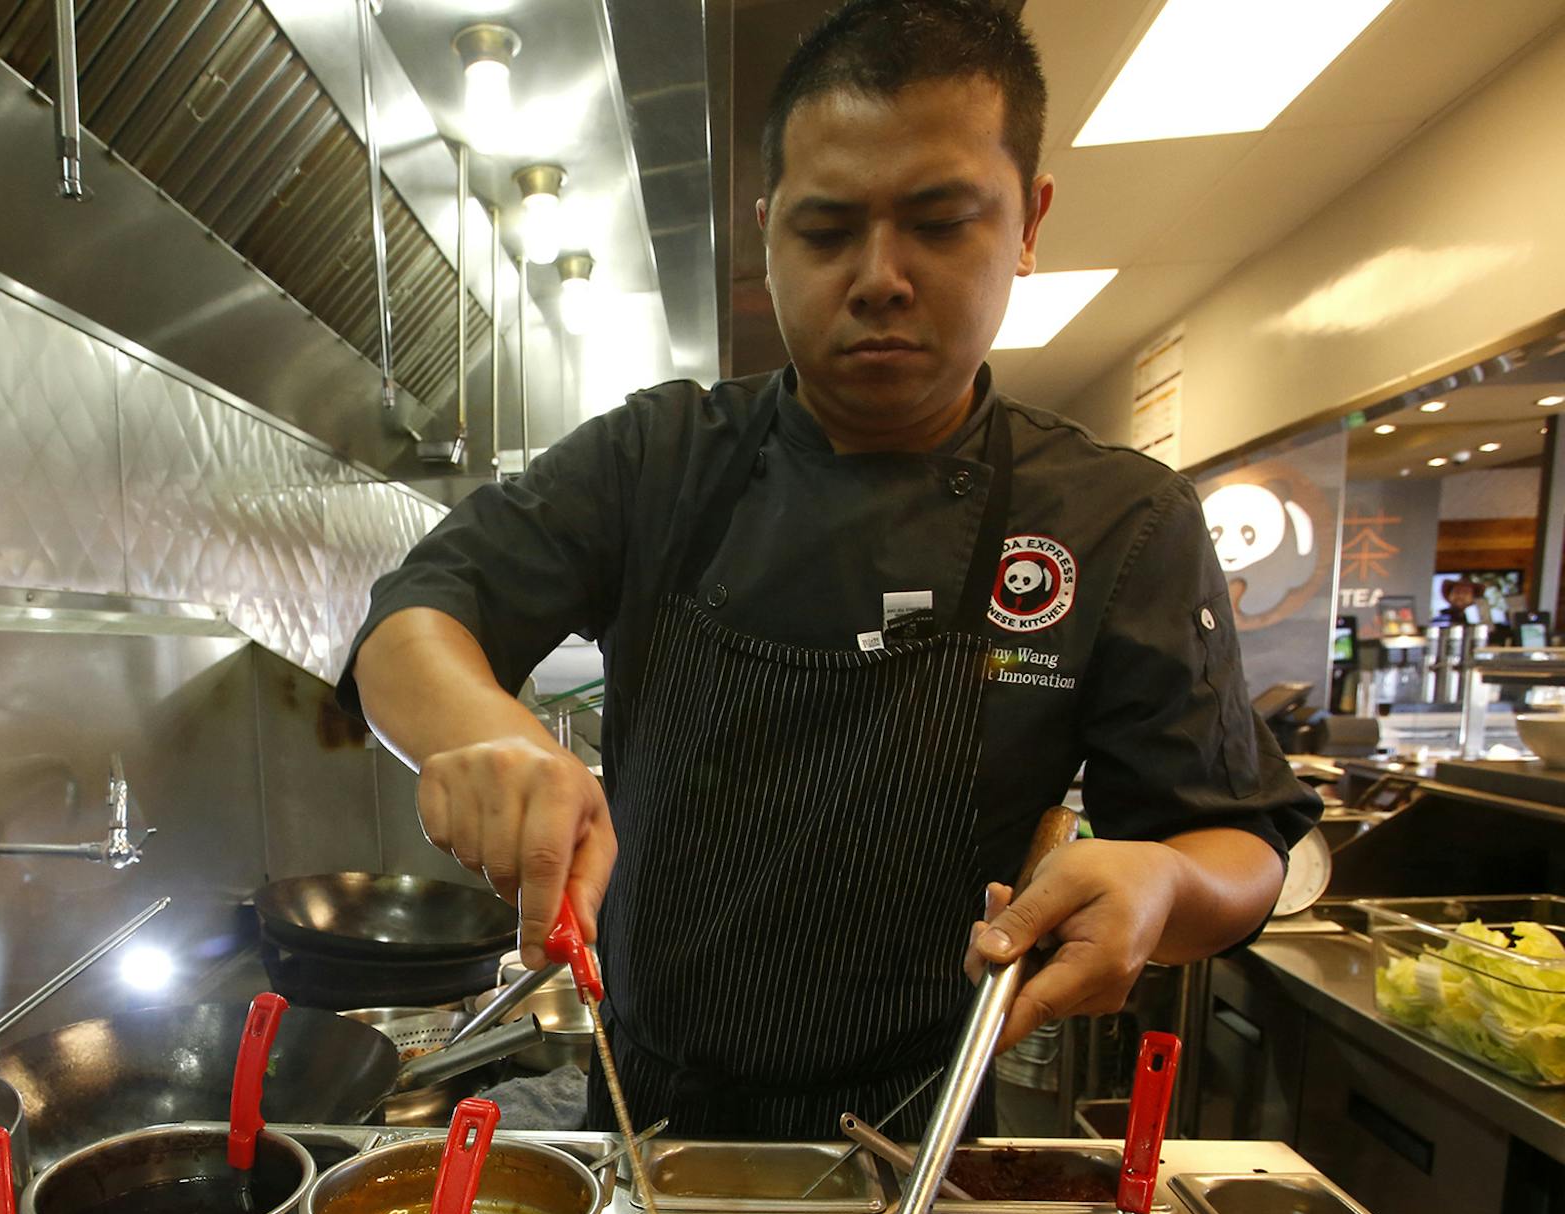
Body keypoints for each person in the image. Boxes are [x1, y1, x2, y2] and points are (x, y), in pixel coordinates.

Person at [341, 0, 1320, 1140]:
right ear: (766, 232)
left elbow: (1242, 845)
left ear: (1030, 220)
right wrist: (490, 735)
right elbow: (410, 623)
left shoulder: (1119, 518)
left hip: (922, 1140)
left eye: (942, 223)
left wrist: (1164, 887)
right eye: (825, 230)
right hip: (649, 1118)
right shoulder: (657, 459)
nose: (880, 277)